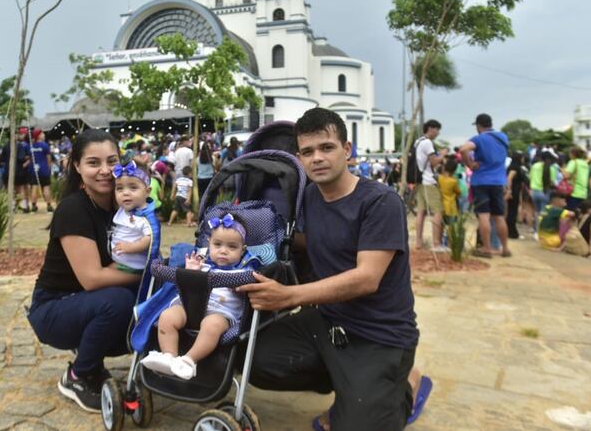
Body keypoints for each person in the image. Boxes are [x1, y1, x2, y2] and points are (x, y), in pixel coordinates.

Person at [237, 108, 425, 431]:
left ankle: (405, 384)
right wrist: (240, 237)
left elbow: (367, 279)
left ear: (347, 150)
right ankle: (350, 384)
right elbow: (300, 241)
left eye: (327, 148)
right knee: (250, 356)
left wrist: (288, 295)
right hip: (328, 322)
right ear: (299, 158)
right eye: (307, 152)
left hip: (379, 333)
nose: (317, 159)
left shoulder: (380, 202)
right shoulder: (309, 197)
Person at [27, 129, 140, 413]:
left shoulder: (123, 207)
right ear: (76, 166)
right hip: (55, 306)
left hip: (88, 302)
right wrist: (146, 272)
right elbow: (92, 279)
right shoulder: (73, 209)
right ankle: (77, 376)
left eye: (112, 161)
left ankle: (98, 357)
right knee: (121, 301)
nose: (105, 171)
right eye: (93, 163)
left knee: (155, 299)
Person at [141, 213, 259, 380]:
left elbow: (250, 284)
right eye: (217, 244)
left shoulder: (242, 271)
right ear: (209, 244)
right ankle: (169, 357)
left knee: (212, 326)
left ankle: (189, 360)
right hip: (189, 306)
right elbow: (185, 287)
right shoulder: (201, 264)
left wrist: (238, 285)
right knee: (167, 317)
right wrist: (190, 272)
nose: (223, 251)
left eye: (232, 247)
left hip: (220, 313)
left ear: (242, 250)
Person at [459, 113, 511, 258]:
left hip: (481, 181)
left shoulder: (479, 139)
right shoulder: (503, 137)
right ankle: (505, 248)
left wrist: (469, 164)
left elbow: (463, 150)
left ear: (478, 126)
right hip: (499, 182)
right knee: (499, 217)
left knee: (483, 216)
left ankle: (486, 249)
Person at [109, 162, 159, 275]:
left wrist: (131, 247)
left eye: (133, 188)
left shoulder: (145, 217)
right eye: (119, 189)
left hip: (134, 266)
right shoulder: (123, 209)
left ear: (147, 191)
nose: (125, 193)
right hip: (120, 260)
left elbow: (149, 238)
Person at [414, 120, 447, 251]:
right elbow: (434, 162)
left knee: (421, 211)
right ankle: (436, 243)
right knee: (438, 211)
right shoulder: (427, 143)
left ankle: (418, 242)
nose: (438, 133)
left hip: (419, 180)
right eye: (437, 130)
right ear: (431, 128)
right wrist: (443, 154)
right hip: (428, 181)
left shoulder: (418, 141)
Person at [529, 152, 558, 234]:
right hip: (545, 192)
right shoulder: (551, 168)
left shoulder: (534, 166)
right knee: (543, 213)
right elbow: (552, 182)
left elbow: (530, 177)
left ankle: (535, 231)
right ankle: (541, 231)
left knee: (536, 211)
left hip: (534, 191)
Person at [28, 129, 54, 212]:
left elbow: (30, 159)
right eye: (42, 133)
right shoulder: (45, 145)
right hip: (44, 170)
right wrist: (49, 169)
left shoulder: (31, 146)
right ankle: (49, 206)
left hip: (34, 170)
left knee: (34, 187)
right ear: (38, 135)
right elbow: (48, 159)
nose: (43, 134)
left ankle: (33, 206)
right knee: (46, 187)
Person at [506, 152, 528, 239]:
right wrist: (509, 190)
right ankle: (512, 233)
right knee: (512, 212)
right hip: (513, 192)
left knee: (511, 211)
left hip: (515, 191)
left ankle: (511, 231)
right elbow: (509, 179)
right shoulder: (515, 167)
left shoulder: (513, 166)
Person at [563, 146, 589, 211]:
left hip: (573, 192)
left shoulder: (573, 162)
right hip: (583, 193)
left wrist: (562, 170)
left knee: (571, 214)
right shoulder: (585, 163)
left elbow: (566, 176)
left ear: (573, 154)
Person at [438, 158, 461, 232]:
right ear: (454, 170)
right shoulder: (454, 181)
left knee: (441, 225)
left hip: (442, 206)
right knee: (451, 227)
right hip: (451, 207)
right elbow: (458, 192)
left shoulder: (440, 178)